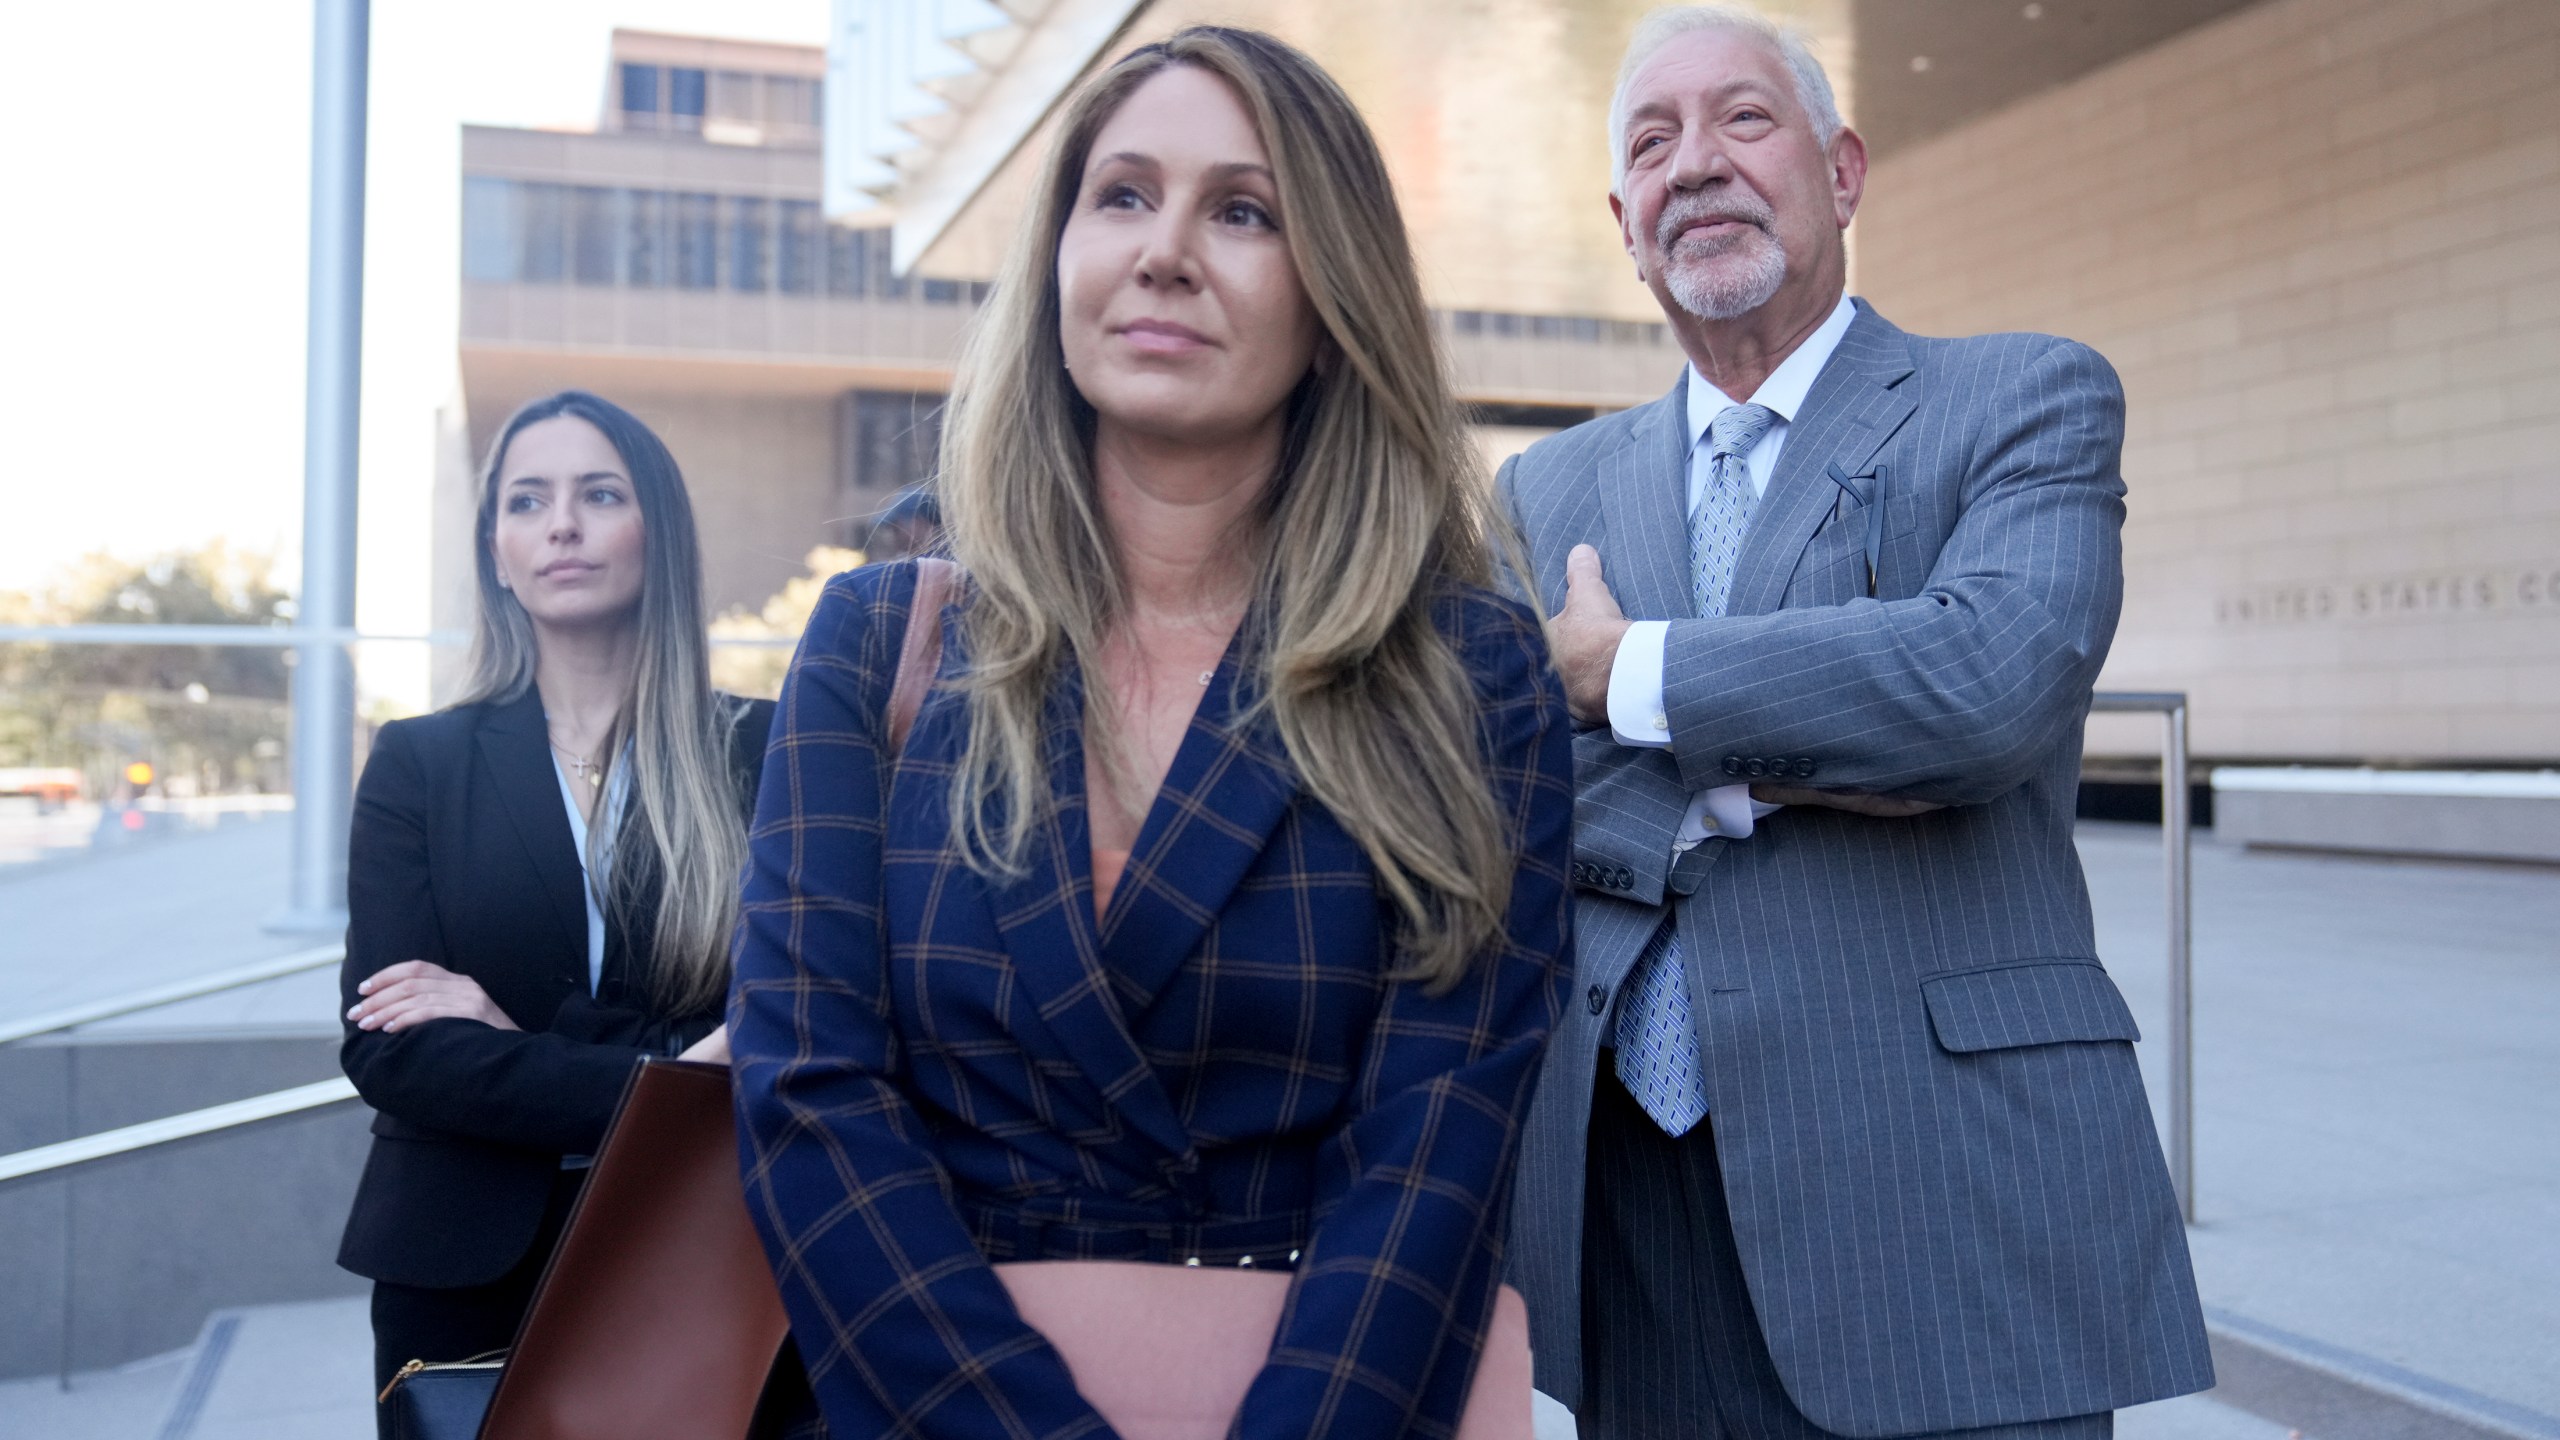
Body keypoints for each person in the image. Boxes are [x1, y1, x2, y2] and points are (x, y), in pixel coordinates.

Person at [727, 27, 1574, 1440]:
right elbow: (810, 1100)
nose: (1166, 250)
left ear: (1333, 294)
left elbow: (1437, 1156)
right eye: (1121, 195)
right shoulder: (878, 642)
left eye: (1242, 212)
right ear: (1059, 257)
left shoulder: (1471, 672)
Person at [1499, 8, 2212, 1439]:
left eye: (1744, 122)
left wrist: (1625, 680)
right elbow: (1505, 790)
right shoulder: (1543, 491)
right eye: (1653, 142)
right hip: (1635, 1196)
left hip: (1941, 1196)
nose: (1695, 163)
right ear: (1626, 225)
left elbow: (1985, 686)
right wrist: (1820, 747)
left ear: (1844, 171)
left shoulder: (2021, 396)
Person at [335, 391, 774, 1424]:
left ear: (655, 528)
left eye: (599, 494)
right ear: (496, 550)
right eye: (527, 501)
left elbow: (783, 1029)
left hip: (702, 1246)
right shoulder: (418, 764)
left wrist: (501, 1036)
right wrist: (667, 1071)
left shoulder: (765, 752)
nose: (561, 524)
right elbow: (389, 1048)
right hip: (459, 1270)